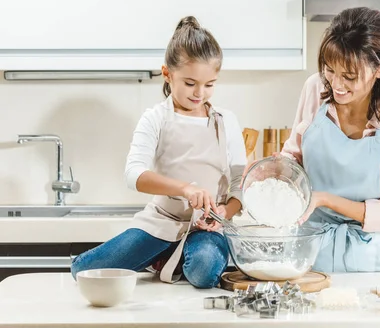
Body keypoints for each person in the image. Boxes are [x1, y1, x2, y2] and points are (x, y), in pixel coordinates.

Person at [70, 16, 247, 288]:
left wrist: (223, 213)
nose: (200, 93)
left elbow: (238, 187)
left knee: (204, 270)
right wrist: (185, 189)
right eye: (190, 83)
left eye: (209, 84)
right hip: (162, 222)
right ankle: (166, 253)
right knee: (84, 270)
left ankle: (173, 257)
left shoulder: (226, 120)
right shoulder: (155, 118)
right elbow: (134, 174)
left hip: (207, 227)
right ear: (167, 74)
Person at [280, 7, 380, 273]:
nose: (336, 84)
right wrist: (273, 171)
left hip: (367, 262)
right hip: (306, 255)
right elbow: (294, 157)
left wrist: (326, 199)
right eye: (329, 70)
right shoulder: (315, 89)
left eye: (349, 77)